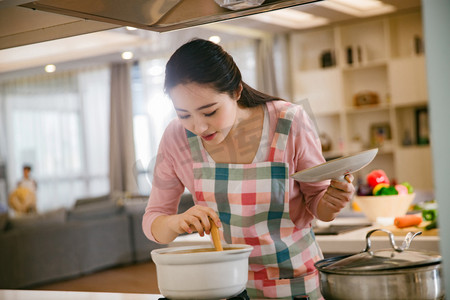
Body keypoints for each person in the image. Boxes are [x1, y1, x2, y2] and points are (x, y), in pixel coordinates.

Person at [142, 38, 355, 299]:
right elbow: (153, 221)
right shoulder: (176, 138)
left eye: (209, 112)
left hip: (296, 284)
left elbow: (317, 204)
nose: (198, 127)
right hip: (227, 287)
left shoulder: (288, 121)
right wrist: (176, 222)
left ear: (236, 92)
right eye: (184, 114)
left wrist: (332, 200)